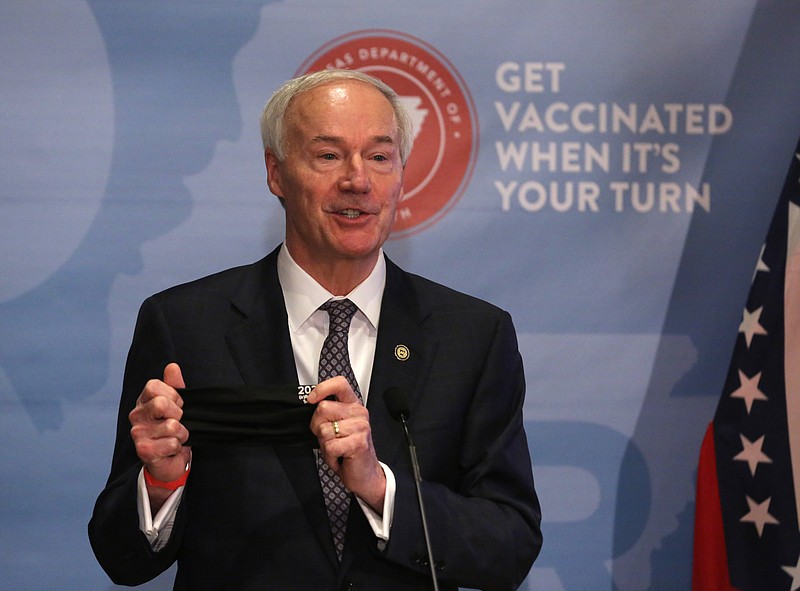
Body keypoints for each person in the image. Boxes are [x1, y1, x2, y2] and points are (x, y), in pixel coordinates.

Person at [89, 69, 542, 590]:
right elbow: (119, 557)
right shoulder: (185, 325)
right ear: (276, 174)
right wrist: (161, 483)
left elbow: (510, 546)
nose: (357, 180)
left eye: (379, 156)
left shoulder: (474, 336)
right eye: (328, 155)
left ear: (401, 173)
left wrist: (379, 489)